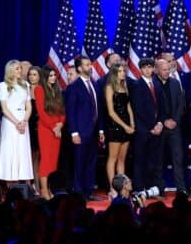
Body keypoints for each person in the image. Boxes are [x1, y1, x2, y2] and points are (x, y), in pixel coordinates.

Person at [65, 56, 104, 200]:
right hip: (80, 132)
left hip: (93, 132)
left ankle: (89, 191)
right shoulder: (74, 87)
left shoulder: (94, 85)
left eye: (90, 64)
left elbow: (97, 108)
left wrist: (100, 130)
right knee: (79, 162)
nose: (90, 67)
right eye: (87, 65)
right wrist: (74, 132)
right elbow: (71, 111)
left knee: (91, 162)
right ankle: (79, 193)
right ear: (80, 68)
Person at [0, 60, 33, 184]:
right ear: (10, 70)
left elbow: (29, 106)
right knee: (10, 150)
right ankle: (9, 183)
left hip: (23, 121)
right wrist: (17, 123)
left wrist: (24, 121)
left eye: (20, 68)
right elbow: (4, 108)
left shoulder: (25, 85)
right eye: (17, 68)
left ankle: (22, 180)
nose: (20, 71)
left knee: (22, 150)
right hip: (10, 122)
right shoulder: (3, 85)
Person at [131, 58, 164, 191]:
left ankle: (150, 187)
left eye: (150, 67)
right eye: (144, 68)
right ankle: (139, 187)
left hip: (156, 129)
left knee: (152, 160)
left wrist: (160, 123)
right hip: (143, 130)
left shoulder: (157, 84)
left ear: (153, 69)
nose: (147, 70)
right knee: (140, 160)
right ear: (140, 70)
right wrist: (151, 127)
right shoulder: (136, 85)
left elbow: (162, 107)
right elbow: (138, 109)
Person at [33, 67, 65, 199]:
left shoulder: (57, 90)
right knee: (46, 160)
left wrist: (61, 124)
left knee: (53, 161)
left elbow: (62, 110)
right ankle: (44, 190)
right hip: (46, 130)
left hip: (57, 130)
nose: (53, 77)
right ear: (44, 76)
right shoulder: (39, 89)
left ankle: (50, 188)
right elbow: (41, 112)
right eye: (50, 75)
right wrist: (53, 128)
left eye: (54, 75)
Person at [156, 57, 187, 193]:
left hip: (175, 127)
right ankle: (159, 188)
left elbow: (181, 104)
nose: (167, 72)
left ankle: (181, 189)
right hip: (160, 127)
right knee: (159, 159)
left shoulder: (175, 83)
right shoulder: (153, 84)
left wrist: (175, 120)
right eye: (164, 70)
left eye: (168, 69)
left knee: (178, 158)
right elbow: (153, 107)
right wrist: (163, 121)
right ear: (157, 70)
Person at [103, 62, 134, 193]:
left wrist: (132, 123)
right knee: (113, 158)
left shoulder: (124, 86)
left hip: (127, 124)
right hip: (115, 125)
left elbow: (128, 106)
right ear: (115, 73)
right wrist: (125, 126)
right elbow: (111, 112)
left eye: (124, 71)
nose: (123, 73)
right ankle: (112, 187)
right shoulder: (109, 87)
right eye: (120, 71)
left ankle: (122, 186)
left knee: (122, 158)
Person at [25, 66, 42, 188]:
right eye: (30, 74)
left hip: (41, 127)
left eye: (34, 74)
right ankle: (28, 185)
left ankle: (37, 185)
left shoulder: (43, 90)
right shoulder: (24, 89)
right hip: (27, 126)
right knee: (28, 156)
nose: (31, 77)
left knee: (37, 157)